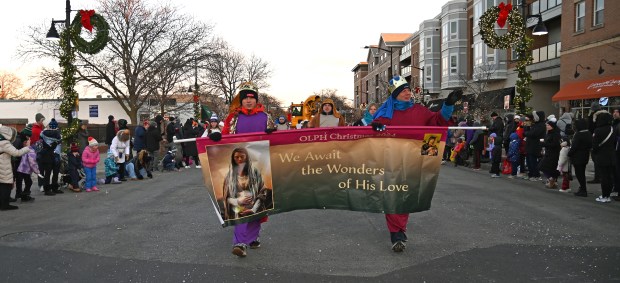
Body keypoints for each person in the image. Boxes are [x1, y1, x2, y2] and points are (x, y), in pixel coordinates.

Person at [371, 75, 461, 253]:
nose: (407, 92)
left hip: (414, 160)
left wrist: (448, 104)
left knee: (406, 195)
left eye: (408, 90)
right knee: (393, 196)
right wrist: (375, 127)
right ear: (395, 94)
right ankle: (396, 234)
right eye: (403, 90)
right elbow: (371, 130)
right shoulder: (385, 113)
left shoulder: (420, 110)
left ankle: (400, 229)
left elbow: (439, 121)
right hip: (392, 160)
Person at [214, 81, 276, 257]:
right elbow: (225, 139)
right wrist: (217, 136)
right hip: (239, 168)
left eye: (251, 98)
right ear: (240, 101)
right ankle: (240, 242)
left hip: (261, 165)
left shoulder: (266, 117)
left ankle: (252, 237)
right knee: (241, 202)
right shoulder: (233, 118)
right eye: (245, 98)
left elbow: (279, 141)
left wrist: (274, 134)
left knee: (258, 202)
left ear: (256, 100)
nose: (249, 101)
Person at [0, 126, 31, 211]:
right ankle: (5, 205)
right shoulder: (4, 143)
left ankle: (2, 204)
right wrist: (27, 148)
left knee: (1, 185)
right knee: (6, 185)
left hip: (1, 165)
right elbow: (16, 153)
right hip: (4, 166)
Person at [591, 110, 616, 203]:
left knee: (604, 177)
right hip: (611, 155)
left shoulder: (598, 130)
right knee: (609, 177)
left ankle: (604, 196)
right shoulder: (612, 128)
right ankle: (608, 195)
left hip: (601, 157)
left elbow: (594, 145)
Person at [568, 119, 592, 197]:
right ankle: (582, 188)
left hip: (577, 156)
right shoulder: (588, 133)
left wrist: (569, 153)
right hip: (585, 156)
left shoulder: (578, 134)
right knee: (582, 173)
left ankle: (583, 189)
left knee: (579, 174)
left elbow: (574, 146)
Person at [39, 118, 63, 196]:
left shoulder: (54, 132)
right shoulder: (45, 133)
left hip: (55, 154)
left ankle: (54, 187)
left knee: (55, 172)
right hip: (47, 155)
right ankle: (47, 189)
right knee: (48, 172)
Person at [524, 111, 546, 181]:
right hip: (530, 144)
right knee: (529, 160)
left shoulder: (541, 125)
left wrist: (527, 133)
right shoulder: (535, 124)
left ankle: (536, 175)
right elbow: (527, 131)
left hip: (535, 145)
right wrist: (527, 126)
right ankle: (530, 174)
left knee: (533, 161)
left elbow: (533, 133)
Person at [12, 124, 32, 201]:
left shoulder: (19, 139)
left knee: (20, 180)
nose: (28, 138)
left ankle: (19, 194)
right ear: (25, 135)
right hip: (19, 164)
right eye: (28, 136)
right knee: (26, 180)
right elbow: (16, 153)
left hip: (19, 163)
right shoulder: (19, 140)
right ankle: (23, 195)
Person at [539, 120, 561, 189]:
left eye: (548, 125)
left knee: (544, 166)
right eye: (546, 125)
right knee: (543, 167)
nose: (547, 127)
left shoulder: (556, 134)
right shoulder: (548, 133)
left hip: (553, 153)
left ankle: (552, 179)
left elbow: (555, 144)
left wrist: (544, 144)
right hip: (548, 152)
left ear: (552, 126)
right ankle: (552, 180)